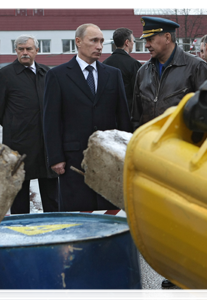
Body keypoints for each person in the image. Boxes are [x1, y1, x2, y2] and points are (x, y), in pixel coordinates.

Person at [43, 23, 132, 212]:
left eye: (101, 41)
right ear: (78, 42)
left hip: (109, 158)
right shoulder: (57, 75)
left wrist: (127, 154)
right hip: (74, 159)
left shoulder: (113, 74)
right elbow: (51, 120)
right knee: (78, 216)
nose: (99, 46)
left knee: (108, 214)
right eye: (94, 41)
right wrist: (55, 157)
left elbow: (123, 117)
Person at [0, 34, 58, 214]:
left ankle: (56, 227)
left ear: (37, 50)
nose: (25, 53)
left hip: (46, 143)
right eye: (21, 49)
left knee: (52, 191)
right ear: (16, 51)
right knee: (19, 190)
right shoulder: (4, 75)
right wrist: (15, 125)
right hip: (19, 143)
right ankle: (22, 230)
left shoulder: (47, 72)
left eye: (29, 49)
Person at [131, 16, 207, 130]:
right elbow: (136, 118)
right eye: (146, 40)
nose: (146, 45)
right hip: (148, 145)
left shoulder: (196, 67)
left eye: (150, 39)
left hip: (180, 145)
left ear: (167, 37)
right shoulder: (142, 72)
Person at [103, 28, 142, 113]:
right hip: (128, 112)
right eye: (133, 41)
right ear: (127, 42)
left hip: (108, 112)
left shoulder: (104, 63)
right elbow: (138, 93)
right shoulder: (134, 64)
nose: (133, 43)